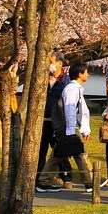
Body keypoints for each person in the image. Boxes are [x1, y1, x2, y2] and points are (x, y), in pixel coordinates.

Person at [38, 62, 93, 192]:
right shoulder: (71, 89)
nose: (88, 74)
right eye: (86, 72)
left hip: (70, 128)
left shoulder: (76, 88)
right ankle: (90, 182)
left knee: (59, 154)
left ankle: (43, 181)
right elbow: (69, 110)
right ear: (80, 74)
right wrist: (70, 130)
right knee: (79, 154)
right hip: (70, 128)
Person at [35, 51, 70, 192]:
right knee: (41, 150)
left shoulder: (65, 80)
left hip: (57, 120)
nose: (50, 65)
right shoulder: (45, 79)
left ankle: (66, 177)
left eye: (51, 62)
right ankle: (38, 177)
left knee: (59, 149)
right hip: (43, 119)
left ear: (60, 64)